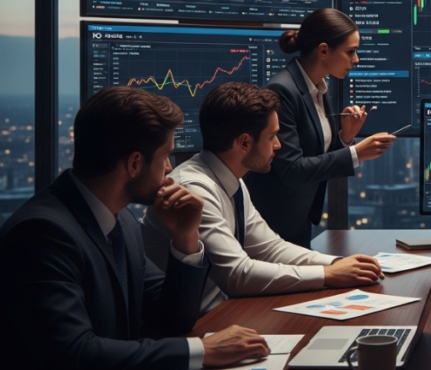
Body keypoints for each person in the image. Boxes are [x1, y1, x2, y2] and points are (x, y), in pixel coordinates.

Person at [0, 87, 270, 370]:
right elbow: (74, 353)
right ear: (134, 163)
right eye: (165, 156)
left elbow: (172, 318)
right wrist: (201, 351)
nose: (169, 169)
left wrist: (186, 236)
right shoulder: (42, 235)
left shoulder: (122, 223)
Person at [144, 82, 385, 313]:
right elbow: (237, 274)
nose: (278, 145)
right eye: (272, 137)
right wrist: (328, 275)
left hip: (223, 311)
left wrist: (335, 264)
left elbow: (270, 248)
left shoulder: (231, 179)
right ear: (244, 143)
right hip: (196, 323)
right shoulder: (195, 189)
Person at [246, 8, 395, 247]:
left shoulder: (318, 88)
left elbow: (315, 154)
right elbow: (291, 169)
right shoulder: (282, 91)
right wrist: (355, 153)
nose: (356, 59)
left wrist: (345, 137)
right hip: (275, 226)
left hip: (299, 220)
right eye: (350, 51)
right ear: (324, 51)